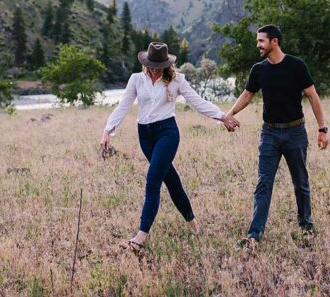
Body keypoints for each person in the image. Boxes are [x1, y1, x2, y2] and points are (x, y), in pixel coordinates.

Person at [100, 42, 239, 252]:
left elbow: (197, 101)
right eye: (152, 65)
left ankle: (140, 237)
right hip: (145, 135)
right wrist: (107, 130)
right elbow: (124, 105)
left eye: (159, 65)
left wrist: (222, 116)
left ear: (166, 64)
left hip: (167, 133)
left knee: (153, 180)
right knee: (172, 180)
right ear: (146, 62)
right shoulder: (136, 79)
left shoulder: (177, 80)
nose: (155, 69)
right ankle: (193, 224)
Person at [226, 25, 329, 248]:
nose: (258, 46)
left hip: (295, 132)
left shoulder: (296, 65)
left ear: (274, 42)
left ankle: (306, 227)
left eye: (261, 41)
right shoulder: (258, 70)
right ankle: (254, 235)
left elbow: (312, 95)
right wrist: (230, 114)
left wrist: (322, 129)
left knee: (300, 182)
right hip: (269, 133)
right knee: (263, 182)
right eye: (257, 41)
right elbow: (247, 95)